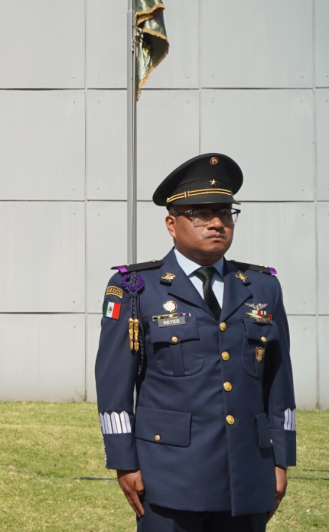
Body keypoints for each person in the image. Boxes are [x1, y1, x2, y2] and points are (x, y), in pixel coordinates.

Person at [95, 153, 296, 531]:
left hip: (247, 474)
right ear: (171, 224)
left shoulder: (262, 287)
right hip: (168, 475)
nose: (217, 223)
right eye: (201, 214)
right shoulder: (135, 288)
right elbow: (113, 384)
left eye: (224, 212)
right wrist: (124, 462)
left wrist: (281, 460)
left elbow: (279, 382)